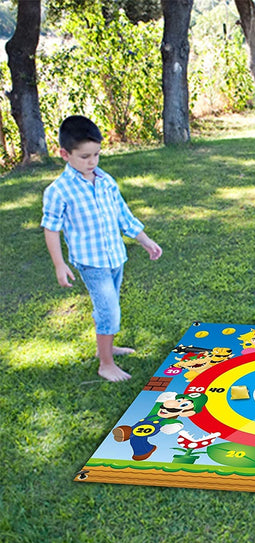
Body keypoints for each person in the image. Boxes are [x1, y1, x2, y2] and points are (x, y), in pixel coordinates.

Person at [41, 115, 163, 382]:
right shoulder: (58, 191)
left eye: (97, 154)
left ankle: (105, 348)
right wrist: (59, 265)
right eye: (85, 156)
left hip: (115, 257)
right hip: (91, 261)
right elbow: (51, 229)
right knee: (109, 309)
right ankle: (105, 364)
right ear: (65, 154)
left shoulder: (105, 180)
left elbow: (123, 215)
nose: (92, 161)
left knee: (108, 306)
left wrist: (145, 240)